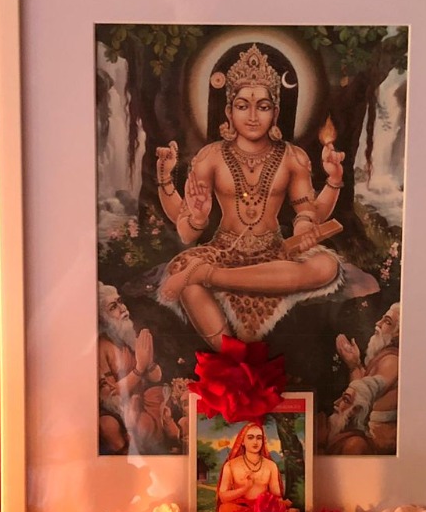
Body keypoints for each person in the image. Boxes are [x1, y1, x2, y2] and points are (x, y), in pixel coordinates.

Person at [154, 44, 347, 345]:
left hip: (274, 252)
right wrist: (196, 215)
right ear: (229, 111)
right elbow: (187, 234)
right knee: (182, 272)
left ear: (276, 112)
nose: (253, 116)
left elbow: (306, 211)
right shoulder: (211, 157)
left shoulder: (292, 158)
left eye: (264, 106)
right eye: (243, 106)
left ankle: (208, 274)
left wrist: (307, 227)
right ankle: (234, 363)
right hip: (224, 250)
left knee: (326, 266)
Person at [97, 283, 180, 454]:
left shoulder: (129, 334)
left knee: (162, 399)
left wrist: (148, 364)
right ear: (102, 318)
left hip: (141, 399)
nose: (122, 308)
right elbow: (109, 395)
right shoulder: (102, 346)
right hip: (118, 407)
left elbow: (156, 377)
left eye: (120, 302)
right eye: (113, 307)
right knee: (116, 425)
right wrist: (140, 368)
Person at [331, 303, 400, 453]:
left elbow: (365, 391)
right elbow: (362, 388)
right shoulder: (383, 356)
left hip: (377, 439)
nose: (378, 324)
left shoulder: (391, 361)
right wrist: (354, 364)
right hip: (366, 431)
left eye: (387, 322)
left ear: (398, 334)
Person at [215, 420, 282, 512]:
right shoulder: (231, 465)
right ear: (242, 441)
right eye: (250, 437)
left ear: (263, 441)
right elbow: (223, 496)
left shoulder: (271, 465)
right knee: (225, 509)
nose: (255, 442)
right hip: (240, 509)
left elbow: (276, 495)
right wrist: (245, 488)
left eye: (259, 438)